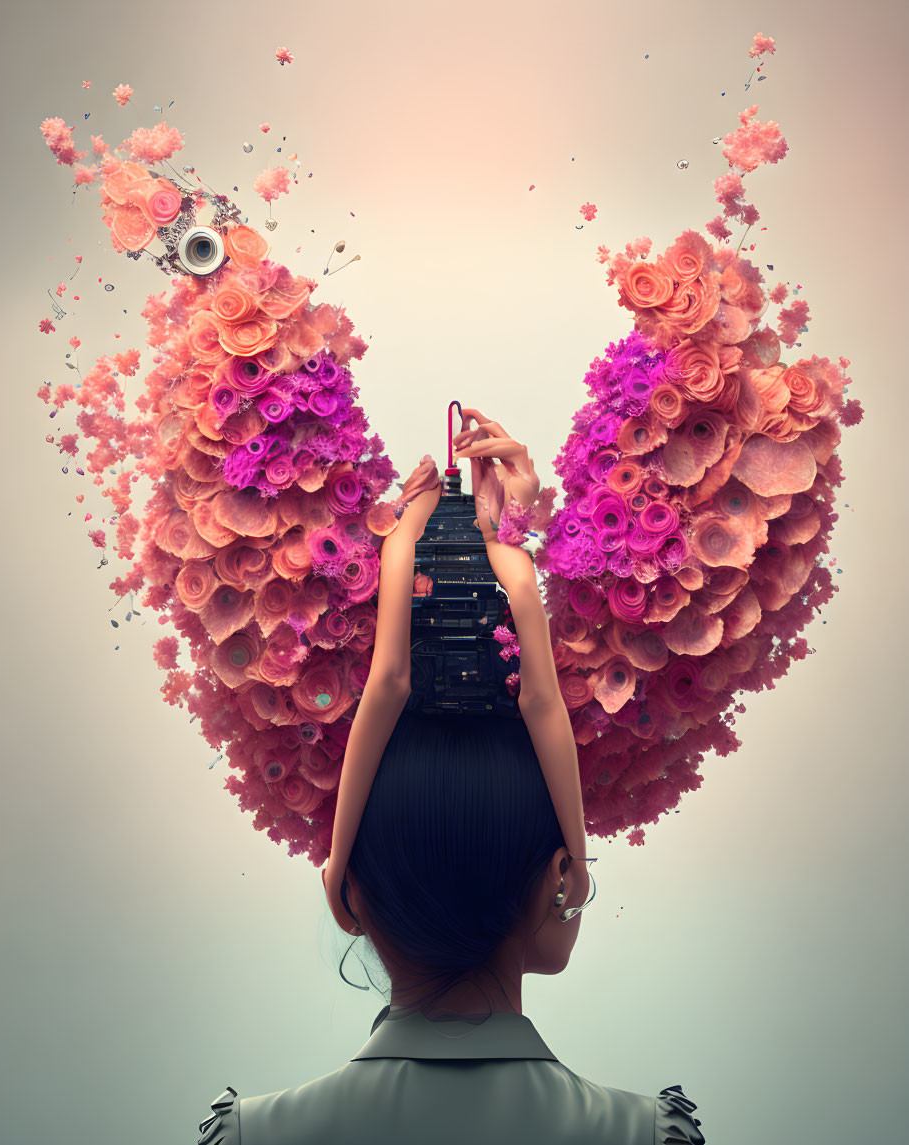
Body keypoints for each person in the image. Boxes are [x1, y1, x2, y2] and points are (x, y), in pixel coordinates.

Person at [197, 413, 705, 1144]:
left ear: (354, 900)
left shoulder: (247, 1136)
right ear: (553, 884)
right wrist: (579, 859)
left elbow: (389, 683)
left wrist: (402, 537)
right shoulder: (648, 1135)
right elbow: (542, 701)